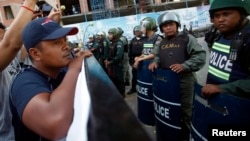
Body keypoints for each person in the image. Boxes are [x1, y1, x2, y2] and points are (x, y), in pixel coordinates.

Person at [10, 17, 92, 141]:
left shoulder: (60, 71)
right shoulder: (24, 81)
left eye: (65, 40)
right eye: (57, 43)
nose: (66, 46)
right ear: (36, 54)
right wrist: (74, 69)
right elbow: (55, 125)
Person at [148, 12, 206, 141]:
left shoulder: (187, 38)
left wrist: (185, 65)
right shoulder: (161, 42)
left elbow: (200, 56)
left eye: (171, 24)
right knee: (171, 110)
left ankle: (189, 136)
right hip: (166, 82)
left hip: (184, 81)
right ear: (161, 28)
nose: (168, 28)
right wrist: (155, 62)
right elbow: (157, 56)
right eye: (165, 26)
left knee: (187, 111)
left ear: (177, 25)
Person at [0, 0, 42, 140]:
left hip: (23, 127)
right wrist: (30, 3)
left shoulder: (12, 58)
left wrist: (30, 20)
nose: (2, 40)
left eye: (3, 37)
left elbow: (20, 45)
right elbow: (11, 43)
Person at [202, 0, 250, 98]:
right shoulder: (218, 35)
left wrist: (222, 88)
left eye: (226, 14)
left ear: (241, 14)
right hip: (218, 102)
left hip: (239, 105)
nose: (220, 19)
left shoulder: (247, 39)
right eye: (217, 16)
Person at [105, 27, 125, 97]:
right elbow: (110, 53)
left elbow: (118, 57)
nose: (109, 35)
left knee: (119, 80)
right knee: (113, 80)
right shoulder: (112, 43)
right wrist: (107, 60)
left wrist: (110, 62)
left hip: (117, 65)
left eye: (111, 34)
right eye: (109, 34)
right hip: (112, 66)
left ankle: (122, 94)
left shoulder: (119, 43)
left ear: (115, 34)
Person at [127, 25, 144, 95]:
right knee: (134, 76)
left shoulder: (146, 39)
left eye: (138, 31)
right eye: (136, 31)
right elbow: (129, 51)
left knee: (143, 75)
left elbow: (148, 50)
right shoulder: (132, 40)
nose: (137, 32)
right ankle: (133, 88)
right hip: (134, 60)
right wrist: (131, 61)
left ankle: (144, 88)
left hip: (144, 59)